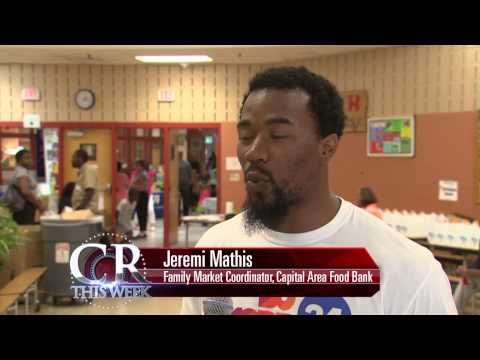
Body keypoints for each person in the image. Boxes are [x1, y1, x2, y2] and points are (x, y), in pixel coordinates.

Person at [182, 66, 457, 315]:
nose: (253, 152)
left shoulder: (407, 271)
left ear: (327, 147)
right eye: (245, 137)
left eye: (277, 135)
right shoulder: (215, 248)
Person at [6, 149, 46, 224]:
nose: (30, 160)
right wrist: (39, 205)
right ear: (19, 160)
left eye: (30, 158)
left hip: (24, 207)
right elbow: (25, 192)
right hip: (24, 207)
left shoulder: (22, 171)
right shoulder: (21, 172)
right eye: (27, 158)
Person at [131, 159, 149, 239]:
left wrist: (134, 186)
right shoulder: (140, 174)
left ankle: (143, 232)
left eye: (137, 165)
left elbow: (143, 186)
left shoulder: (143, 174)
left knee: (142, 213)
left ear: (141, 166)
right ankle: (142, 231)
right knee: (140, 213)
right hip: (140, 194)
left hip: (143, 194)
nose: (135, 167)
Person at [179, 151, 192, 217]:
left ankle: (185, 216)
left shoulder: (186, 163)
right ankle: (177, 218)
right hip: (177, 185)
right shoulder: (174, 163)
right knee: (177, 202)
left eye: (180, 154)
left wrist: (189, 183)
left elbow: (190, 174)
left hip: (186, 185)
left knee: (185, 201)